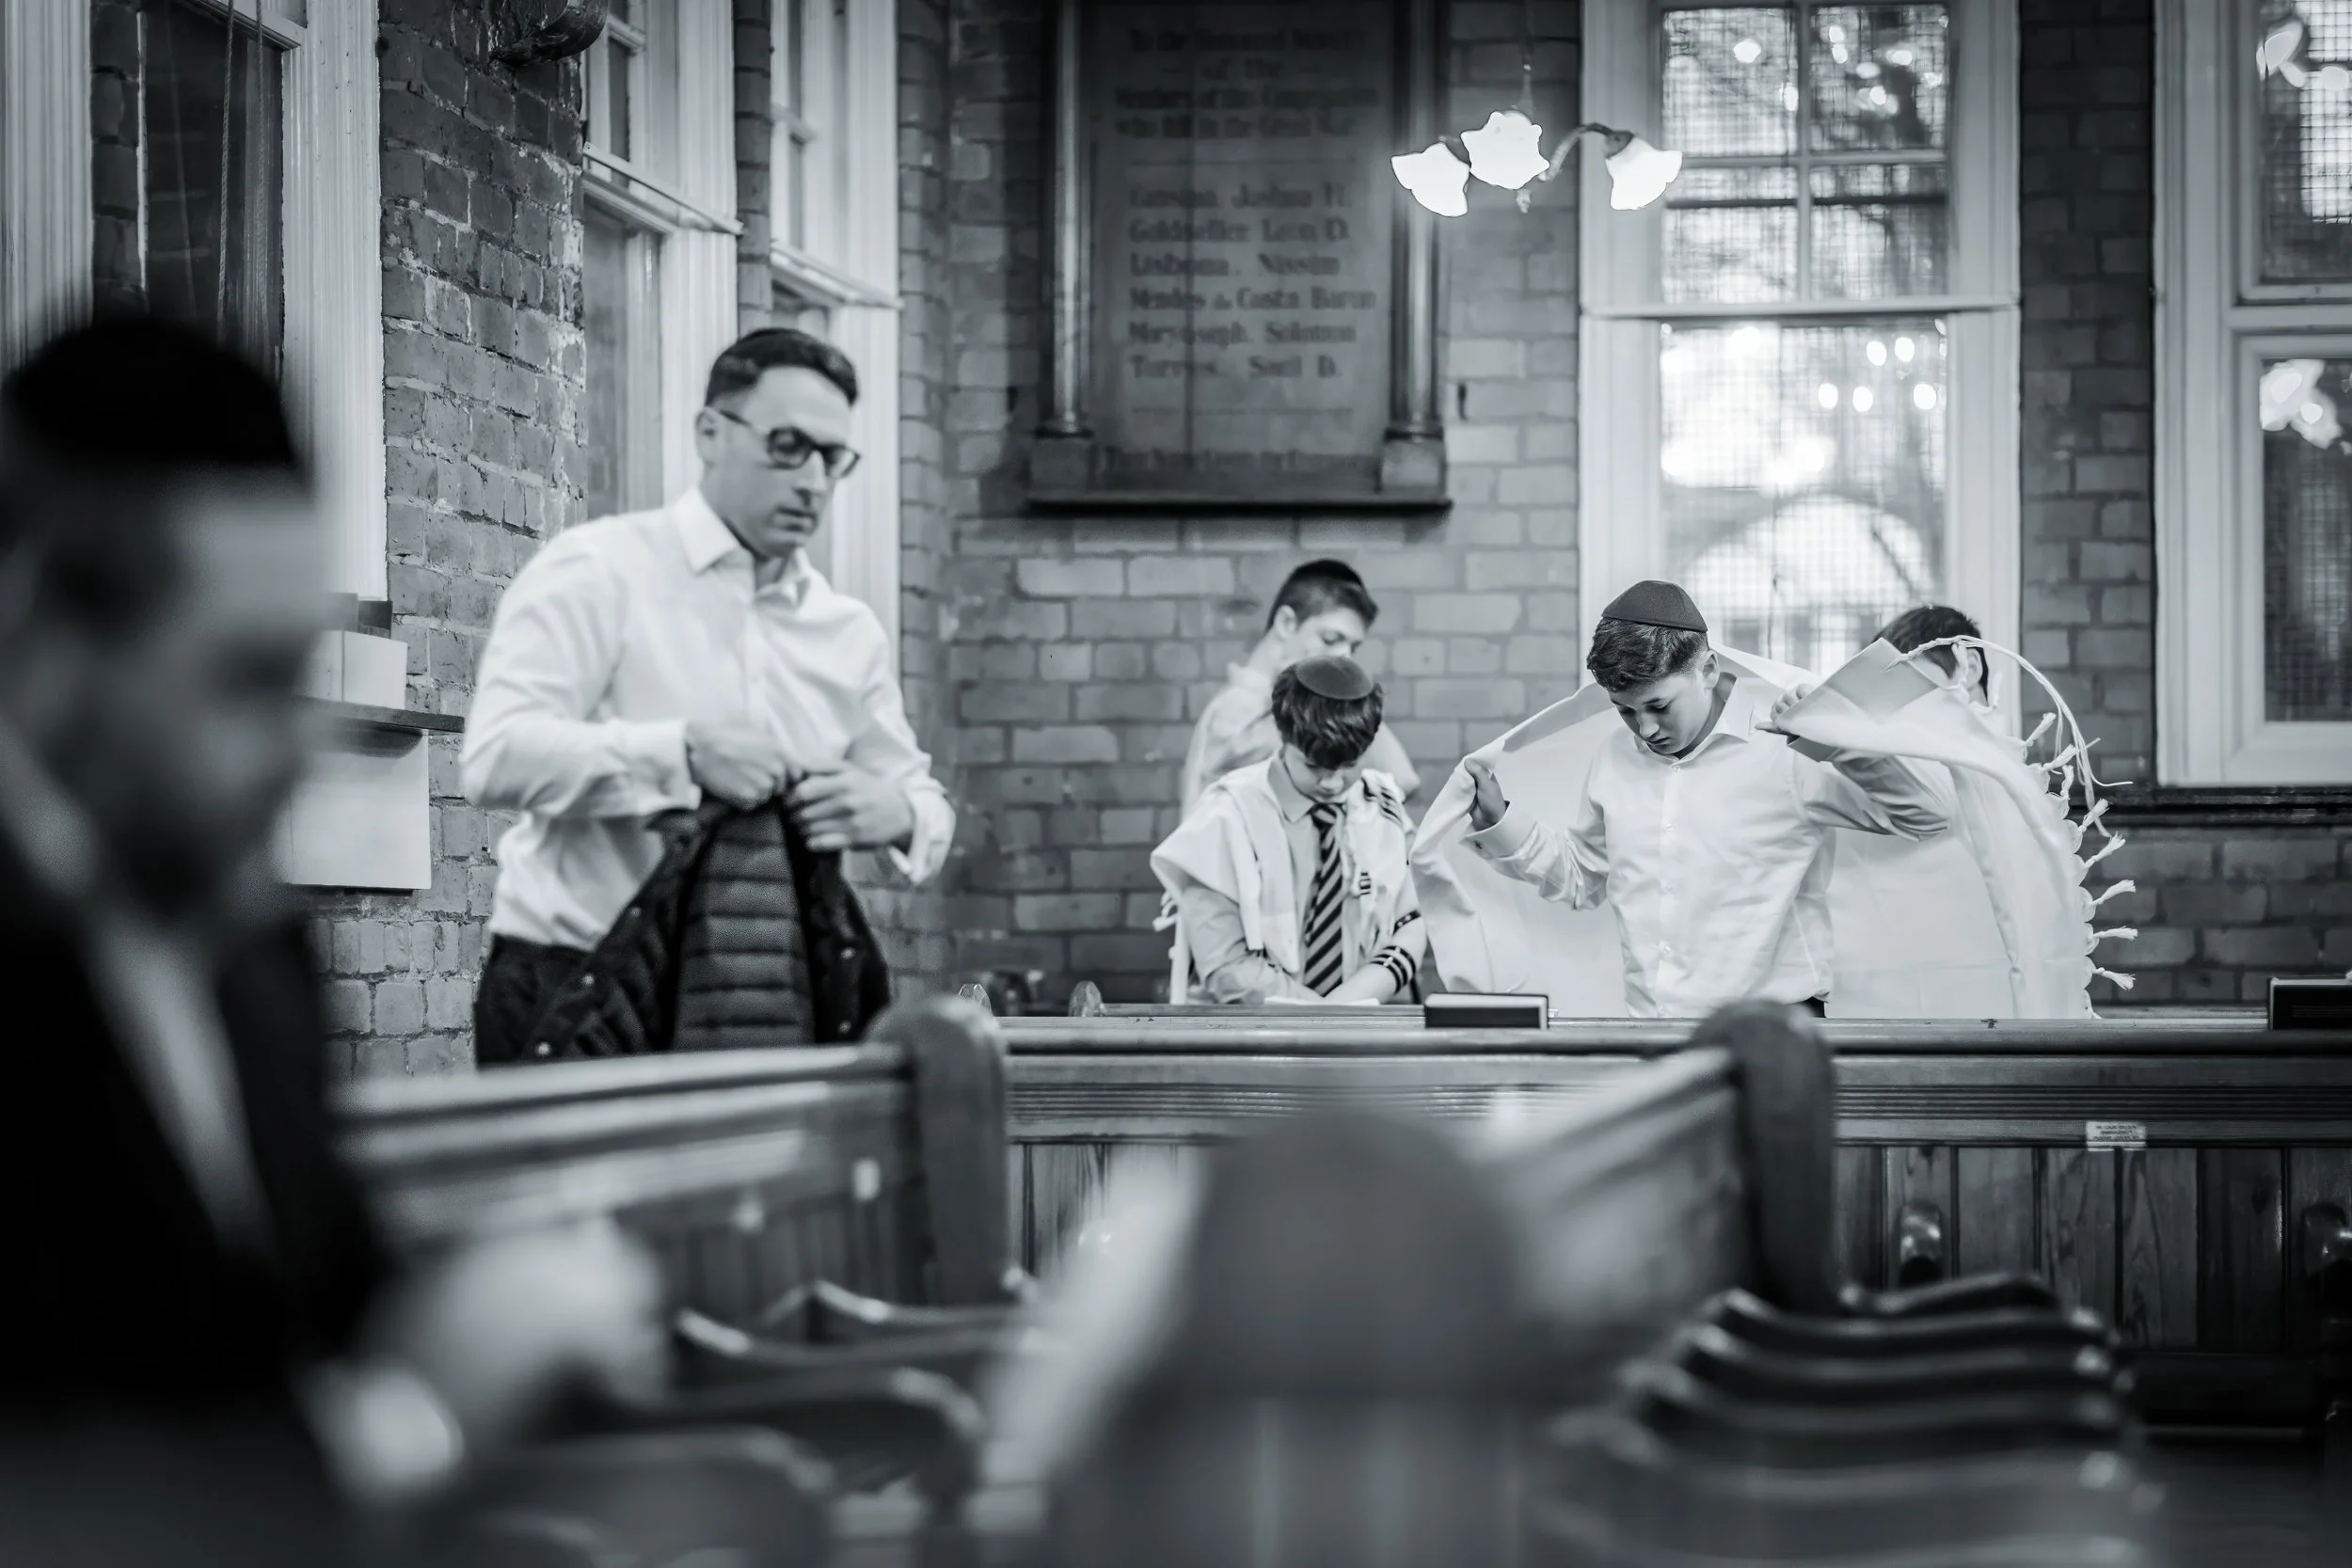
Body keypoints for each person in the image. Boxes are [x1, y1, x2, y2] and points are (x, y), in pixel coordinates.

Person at [0, 317, 660, 1564]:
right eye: (245, 677)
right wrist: (418, 1419)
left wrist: (513, 1295)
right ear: (43, 636)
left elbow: (317, 1315)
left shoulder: (253, 950)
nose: (302, 742)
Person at [464, 327, 952, 1064]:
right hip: (572, 982)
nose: (814, 480)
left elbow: (921, 798)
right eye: (788, 445)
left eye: (832, 457)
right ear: (711, 433)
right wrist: (681, 753)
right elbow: (496, 760)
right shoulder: (598, 570)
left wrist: (898, 811)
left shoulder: (847, 632)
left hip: (770, 997)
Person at [1457, 580, 1956, 1019]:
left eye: (1659, 706)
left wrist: (1835, 739)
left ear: (1709, 670)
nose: (1646, 729)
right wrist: (1503, 822)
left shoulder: (1791, 746)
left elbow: (1929, 814)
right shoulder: (1612, 758)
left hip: (1774, 1041)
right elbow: (1583, 879)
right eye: (1625, 710)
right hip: (1650, 1035)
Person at [1152, 656, 1423, 1004]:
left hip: (1360, 1024)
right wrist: (1321, 1019)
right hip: (1250, 1035)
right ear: (1284, 737)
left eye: (1349, 765)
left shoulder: (1384, 807)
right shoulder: (1226, 816)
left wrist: (1349, 1006)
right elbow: (1225, 965)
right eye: (1314, 766)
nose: (1333, 783)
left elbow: (1411, 924)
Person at [1179, 559, 1422, 816]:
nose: (1344, 657)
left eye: (1352, 647)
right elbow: (1400, 779)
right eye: (1330, 639)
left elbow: (1401, 781)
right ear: (1286, 623)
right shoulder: (1238, 718)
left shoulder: (1265, 710)